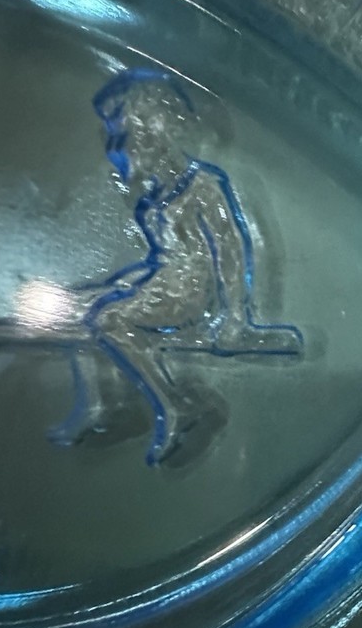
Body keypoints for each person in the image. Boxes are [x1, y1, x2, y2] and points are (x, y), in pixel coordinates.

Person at [51, 68, 301, 465]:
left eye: (121, 137)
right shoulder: (152, 199)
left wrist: (236, 316)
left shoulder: (203, 187)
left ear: (154, 135)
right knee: (80, 309)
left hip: (189, 293)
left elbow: (230, 251)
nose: (115, 149)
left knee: (110, 320)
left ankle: (174, 406)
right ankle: (105, 406)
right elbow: (159, 261)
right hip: (164, 283)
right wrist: (117, 286)